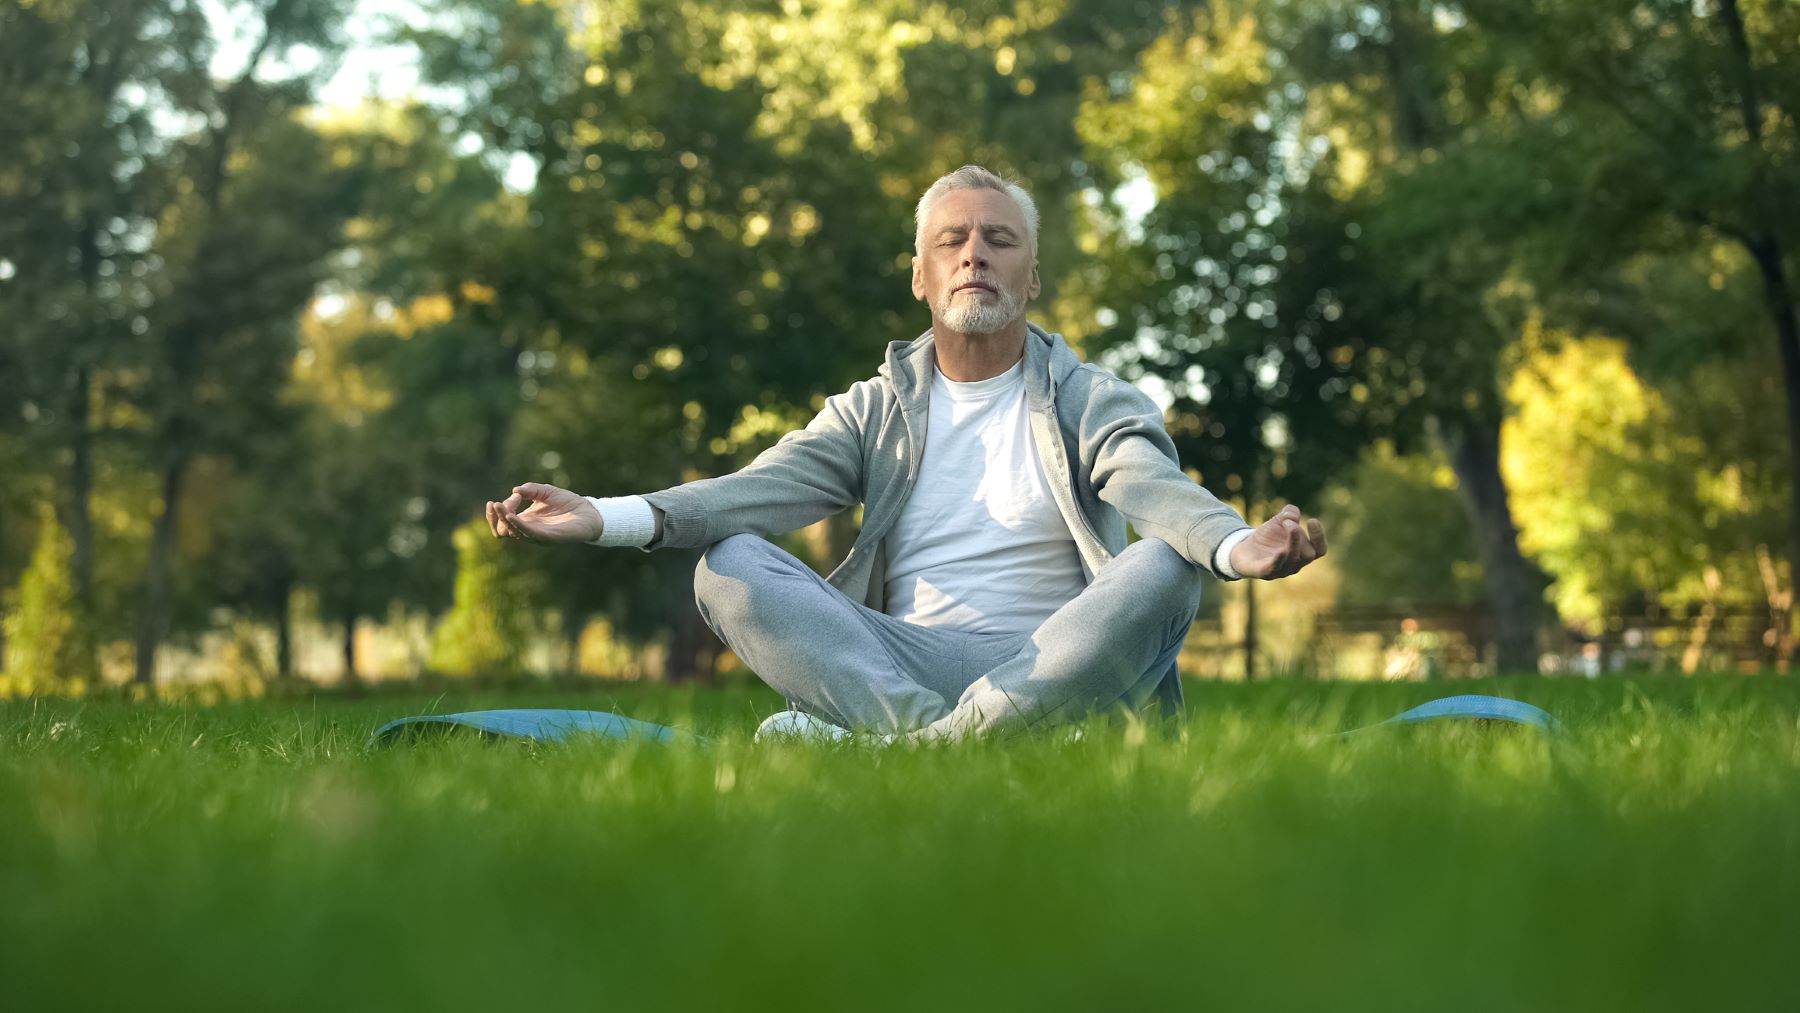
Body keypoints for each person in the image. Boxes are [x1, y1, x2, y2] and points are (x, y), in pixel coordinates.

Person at [485, 165, 1327, 741]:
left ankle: (911, 749)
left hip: (1060, 656)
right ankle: (952, 738)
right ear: (921, 275)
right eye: (952, 240)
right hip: (896, 657)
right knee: (729, 562)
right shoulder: (875, 409)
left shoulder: (1089, 397)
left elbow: (1150, 481)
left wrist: (1229, 542)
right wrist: (603, 518)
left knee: (1165, 568)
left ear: (1031, 275)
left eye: (1000, 240)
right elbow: (756, 491)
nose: (975, 254)